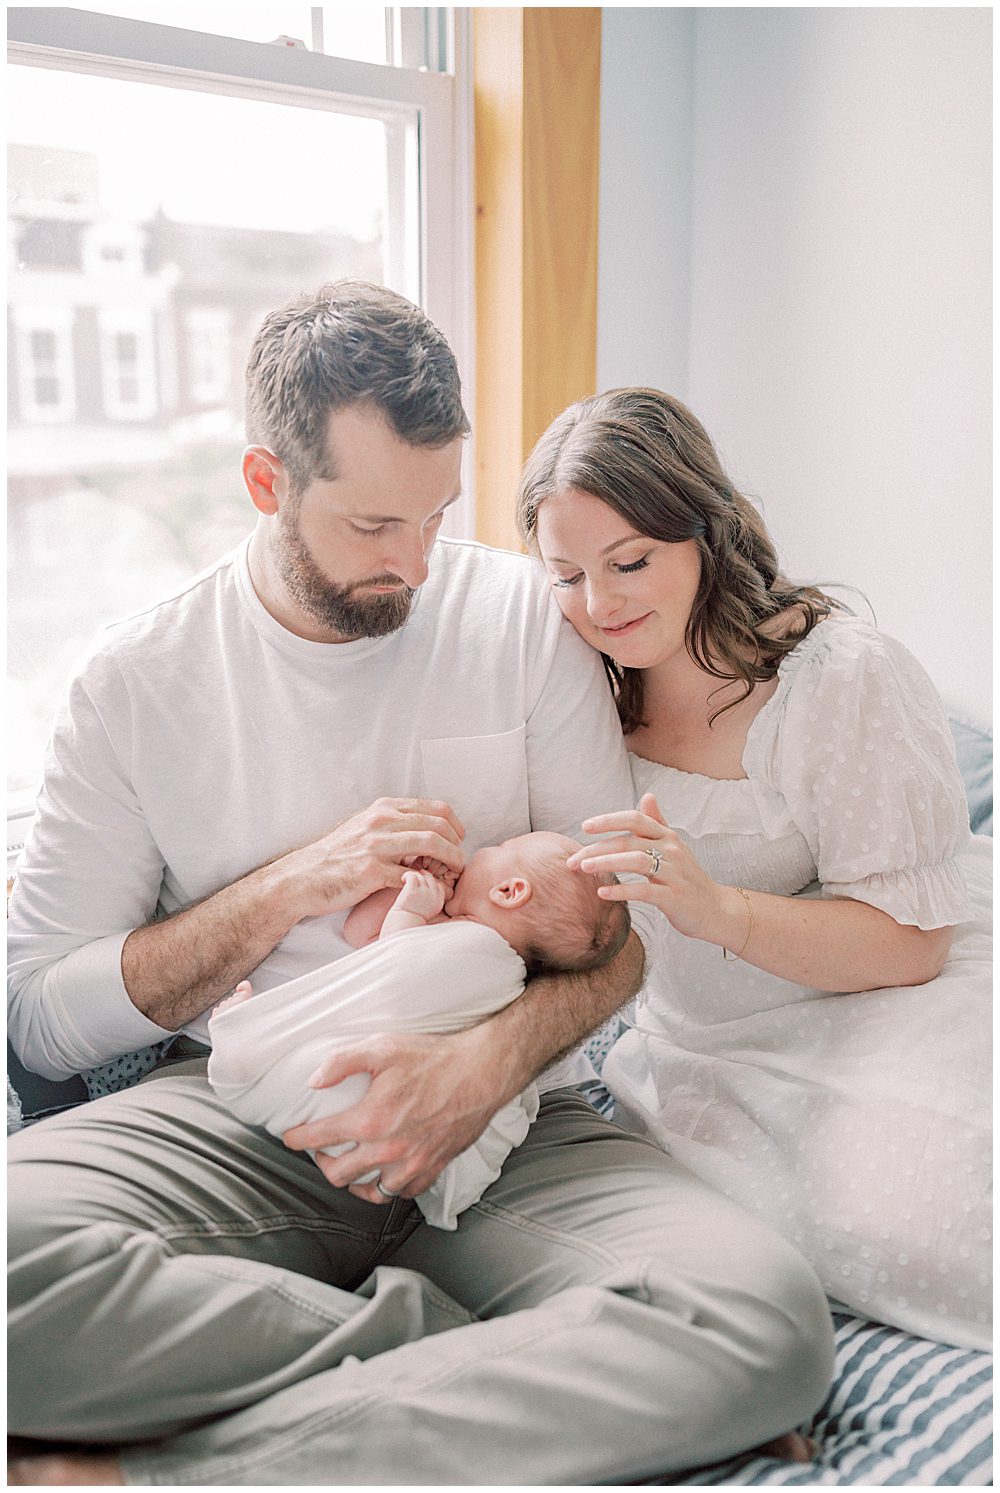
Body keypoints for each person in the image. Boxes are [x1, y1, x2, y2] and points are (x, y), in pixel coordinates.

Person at [7, 286, 834, 1487]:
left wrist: (477, 1071)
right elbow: (36, 1006)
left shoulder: (516, 618)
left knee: (758, 1323)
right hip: (247, 1119)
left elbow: (620, 932)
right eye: (371, 525)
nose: (415, 562)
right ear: (263, 482)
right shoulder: (139, 684)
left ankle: (159, 1475)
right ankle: (471, 1356)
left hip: (504, 1128)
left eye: (438, 515)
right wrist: (281, 889)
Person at [516, 385, 992, 1353]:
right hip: (708, 1052)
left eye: (630, 561)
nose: (599, 603)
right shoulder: (567, 692)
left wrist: (717, 906)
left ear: (704, 530)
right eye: (565, 574)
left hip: (892, 992)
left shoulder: (838, 676)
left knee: (950, 1192)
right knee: (828, 1224)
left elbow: (910, 945)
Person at [208, 836, 630, 1230]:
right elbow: (368, 939)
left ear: (509, 891)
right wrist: (411, 897)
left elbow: (401, 972)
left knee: (316, 1070)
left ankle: (249, 1045)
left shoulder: (479, 953)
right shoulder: (459, 938)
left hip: (396, 1102)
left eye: (501, 846)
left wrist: (413, 911)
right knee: (332, 1070)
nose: (483, 848)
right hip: (399, 1123)